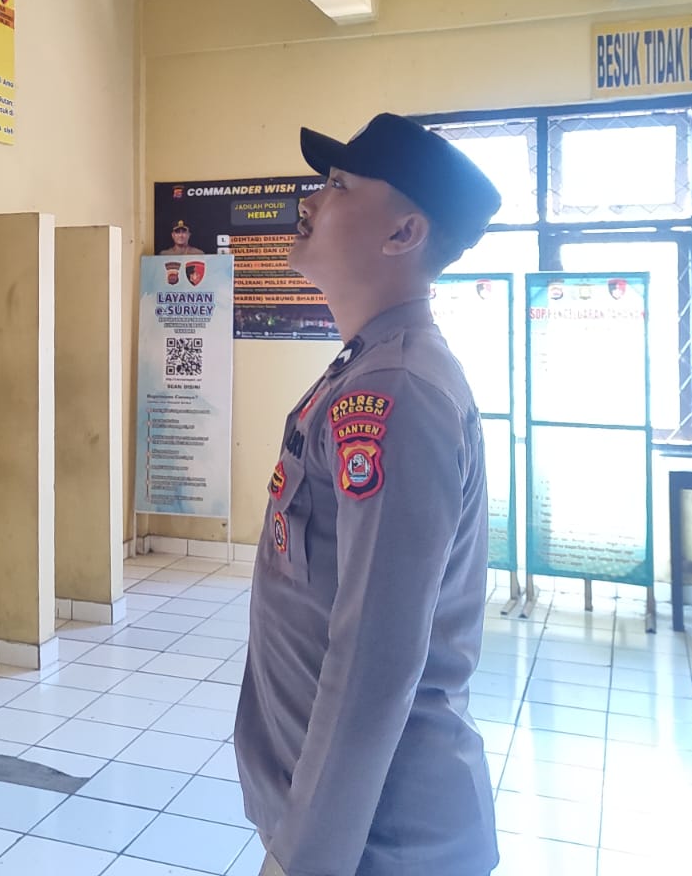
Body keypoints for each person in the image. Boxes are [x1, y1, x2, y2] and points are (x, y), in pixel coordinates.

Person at [235, 112, 502, 876]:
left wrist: (305, 860)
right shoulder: (366, 366)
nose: (310, 200)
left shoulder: (396, 389)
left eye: (340, 185)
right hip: (356, 827)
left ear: (403, 233)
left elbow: (375, 662)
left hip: (382, 841)